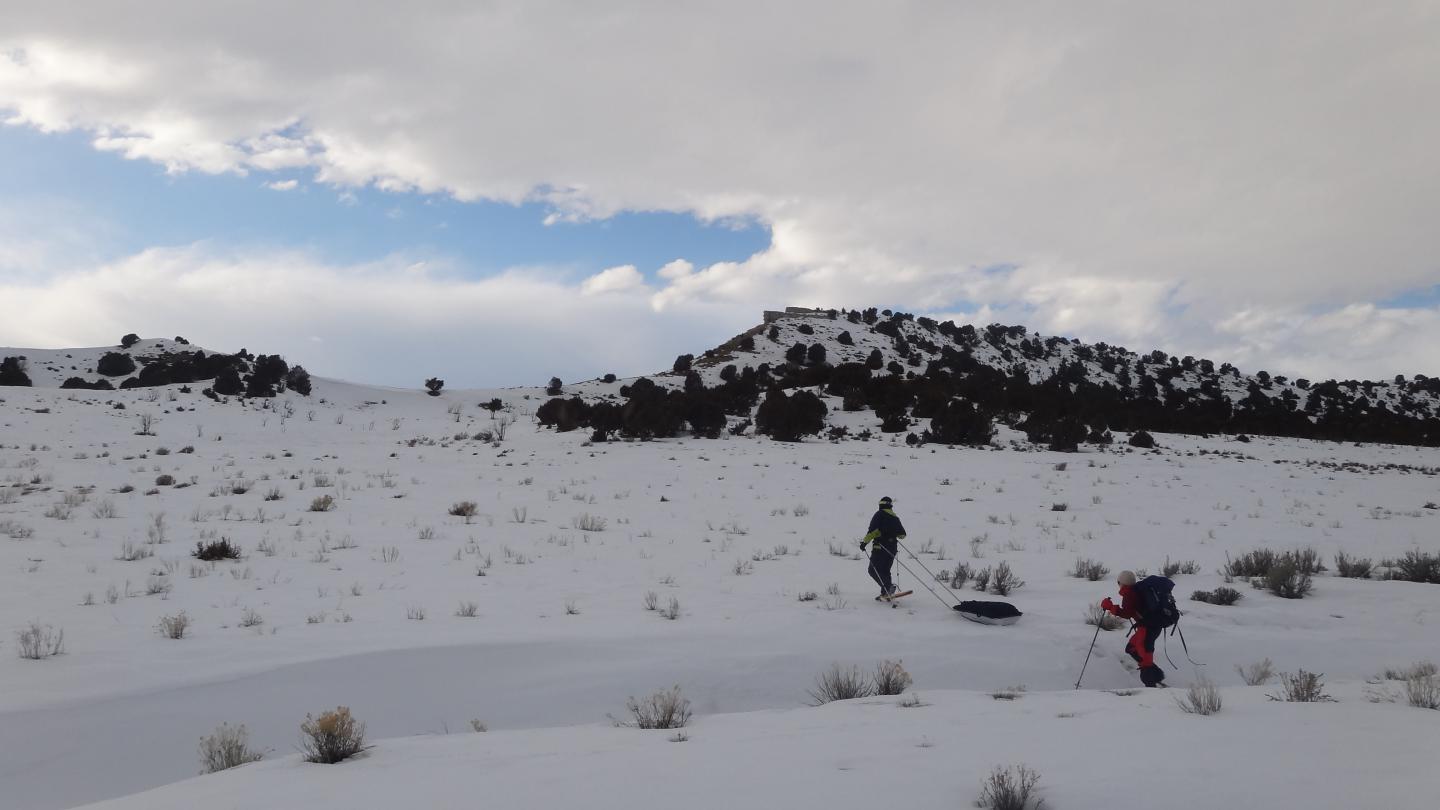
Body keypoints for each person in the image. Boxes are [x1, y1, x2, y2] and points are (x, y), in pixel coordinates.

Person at [1102, 570, 1167, 687]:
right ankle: (1156, 677)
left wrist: (1110, 607)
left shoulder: (1129, 593)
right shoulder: (1136, 590)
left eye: (1118, 582)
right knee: (1132, 648)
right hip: (1151, 627)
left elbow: (1127, 613)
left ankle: (1151, 687)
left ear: (1121, 582)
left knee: (1145, 657)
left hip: (1147, 629)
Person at [859, 496, 906, 599]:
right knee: (885, 570)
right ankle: (886, 592)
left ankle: (888, 587)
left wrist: (864, 543)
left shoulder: (879, 514)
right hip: (892, 548)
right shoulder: (895, 517)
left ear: (881, 505)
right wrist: (891, 533)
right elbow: (902, 535)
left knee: (873, 570)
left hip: (880, 548)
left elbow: (872, 531)